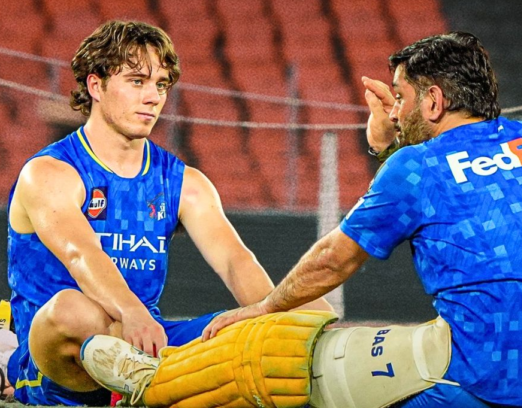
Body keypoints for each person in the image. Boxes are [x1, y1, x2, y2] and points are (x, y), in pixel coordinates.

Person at [199, 32, 522, 407]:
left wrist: (264, 308)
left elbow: (333, 260)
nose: (394, 113)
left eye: (400, 97)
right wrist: (388, 148)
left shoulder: (416, 166)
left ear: (433, 101)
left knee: (298, 385)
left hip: (485, 382)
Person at [5, 20, 331, 406]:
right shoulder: (50, 172)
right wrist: (131, 311)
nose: (153, 97)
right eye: (137, 81)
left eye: (161, 85)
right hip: (57, 358)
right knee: (71, 309)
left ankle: (146, 382)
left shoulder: (184, 183)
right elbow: (81, 253)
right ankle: (154, 381)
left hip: (146, 342)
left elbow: (235, 262)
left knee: (287, 322)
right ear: (95, 86)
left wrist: (278, 319)